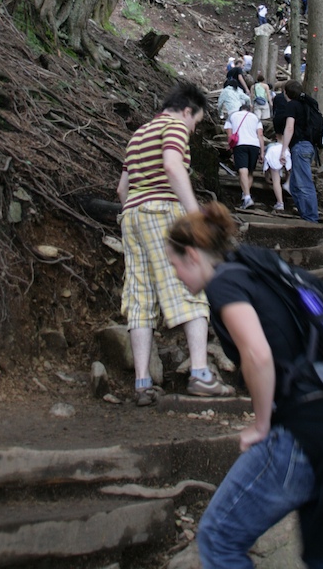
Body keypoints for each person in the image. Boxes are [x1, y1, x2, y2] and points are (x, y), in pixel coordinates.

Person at [166, 203, 323, 569]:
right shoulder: (253, 270)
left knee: (218, 537)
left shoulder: (223, 284)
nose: (177, 277)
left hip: (298, 439)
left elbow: (258, 355)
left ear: (190, 255)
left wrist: (261, 424)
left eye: (174, 267)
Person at [116, 82, 235, 405]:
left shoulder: (139, 134)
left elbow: (122, 190)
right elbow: (171, 165)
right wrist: (194, 216)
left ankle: (142, 382)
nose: (193, 130)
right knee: (187, 286)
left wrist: (134, 211)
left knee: (140, 296)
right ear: (188, 110)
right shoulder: (174, 125)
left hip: (132, 216)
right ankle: (200, 374)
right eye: (195, 122)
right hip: (163, 211)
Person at [279, 80, 318, 223]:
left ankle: (311, 218)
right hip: (308, 147)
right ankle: (305, 213)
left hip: (300, 147)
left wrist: (283, 151)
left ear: (286, 92)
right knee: (295, 185)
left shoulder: (292, 105)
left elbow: (289, 128)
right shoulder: (307, 104)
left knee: (304, 184)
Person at [224, 99, 265, 210]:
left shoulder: (233, 116)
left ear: (240, 110)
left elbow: (229, 134)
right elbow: (260, 135)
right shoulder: (255, 118)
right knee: (250, 172)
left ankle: (247, 197)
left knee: (242, 170)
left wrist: (231, 148)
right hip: (254, 145)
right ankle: (245, 194)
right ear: (249, 110)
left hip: (240, 144)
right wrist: (262, 152)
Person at [263, 135, 292, 212]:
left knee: (276, 181)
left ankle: (280, 203)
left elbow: (267, 165)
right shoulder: (287, 145)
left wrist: (267, 178)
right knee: (289, 169)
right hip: (285, 150)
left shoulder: (270, 146)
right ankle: (287, 182)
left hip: (273, 152)